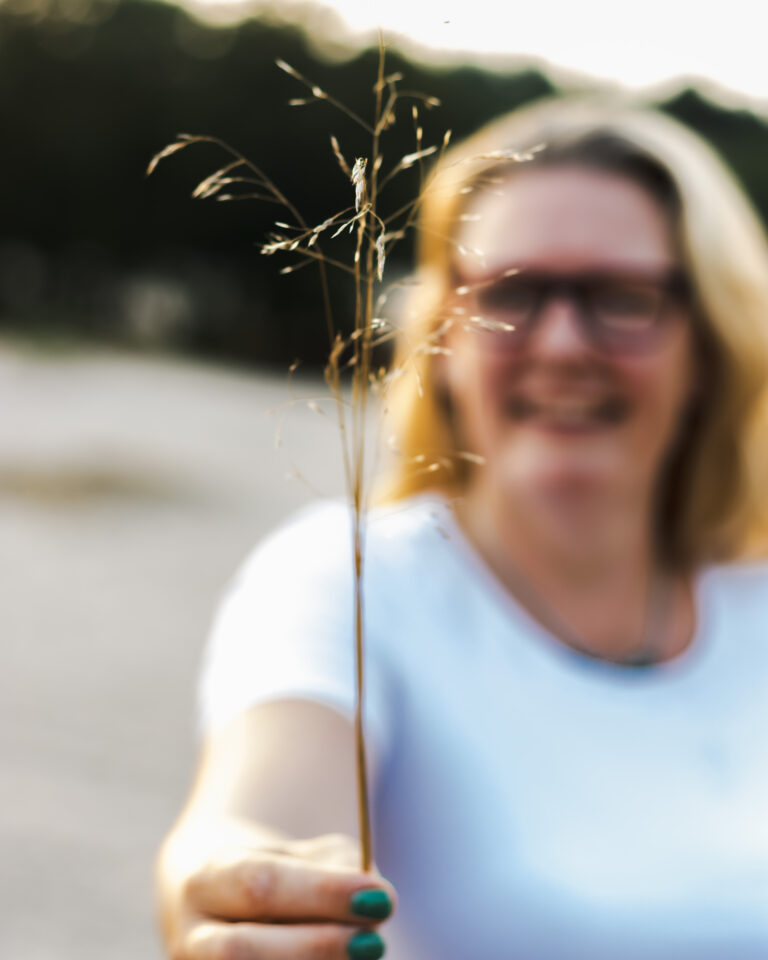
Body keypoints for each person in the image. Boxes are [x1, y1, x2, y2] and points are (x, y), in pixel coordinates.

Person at [155, 96, 768, 960]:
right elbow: (252, 818)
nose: (561, 342)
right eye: (512, 293)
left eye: (621, 296)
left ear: (709, 340)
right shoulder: (355, 578)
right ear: (445, 337)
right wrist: (242, 887)